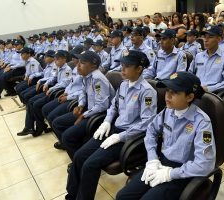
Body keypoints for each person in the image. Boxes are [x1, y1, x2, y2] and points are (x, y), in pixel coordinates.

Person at [65, 50, 157, 200]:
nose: (122, 69)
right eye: (122, 65)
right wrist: (106, 121)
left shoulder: (147, 92)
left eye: (127, 66)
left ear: (139, 69)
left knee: (90, 164)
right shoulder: (123, 85)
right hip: (113, 128)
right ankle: (72, 193)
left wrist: (120, 137)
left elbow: (147, 122)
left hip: (127, 136)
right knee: (80, 155)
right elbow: (113, 106)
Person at [116, 71, 215, 200]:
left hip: (184, 173)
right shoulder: (168, 111)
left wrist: (170, 174)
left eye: (174, 92)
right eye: (167, 90)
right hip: (161, 163)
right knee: (123, 196)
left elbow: (204, 165)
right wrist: (152, 159)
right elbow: (151, 131)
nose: (167, 96)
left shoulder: (202, 122)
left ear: (189, 97)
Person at [17, 50, 72, 137]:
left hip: (58, 92)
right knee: (31, 101)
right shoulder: (58, 67)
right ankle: (30, 127)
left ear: (64, 59)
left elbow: (64, 83)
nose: (56, 61)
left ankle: (40, 126)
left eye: (57, 59)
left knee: (35, 104)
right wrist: (46, 83)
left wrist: (52, 87)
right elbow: (53, 77)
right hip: (53, 89)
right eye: (55, 59)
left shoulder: (67, 70)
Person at [190, 25, 224, 93]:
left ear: (219, 39)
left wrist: (209, 88)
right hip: (195, 91)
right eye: (205, 37)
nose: (206, 40)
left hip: (213, 94)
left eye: (210, 37)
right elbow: (190, 74)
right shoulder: (198, 56)